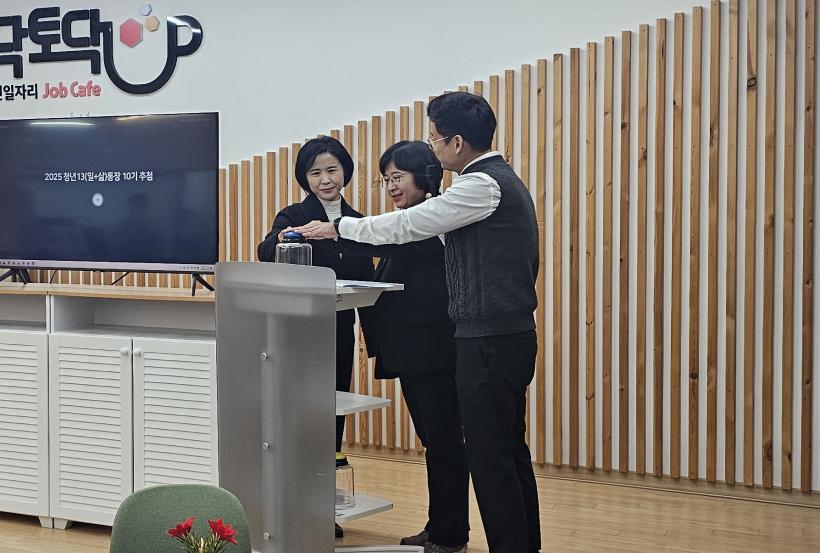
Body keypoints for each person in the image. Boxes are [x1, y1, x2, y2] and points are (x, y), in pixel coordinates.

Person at [297, 92, 541, 553]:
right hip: (497, 336)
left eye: (434, 139)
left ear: (456, 142)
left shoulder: (480, 185)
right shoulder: (493, 181)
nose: (433, 147)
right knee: (505, 452)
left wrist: (339, 227)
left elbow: (406, 226)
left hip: (488, 339)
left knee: (492, 457)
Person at [340, 141, 469, 553]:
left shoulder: (429, 221)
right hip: (415, 354)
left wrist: (334, 229)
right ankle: (441, 526)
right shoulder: (409, 224)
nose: (392, 186)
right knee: (437, 444)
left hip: (434, 353)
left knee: (444, 444)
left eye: (398, 176)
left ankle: (450, 535)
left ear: (425, 175)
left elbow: (379, 241)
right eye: (386, 179)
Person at [256, 136, 373, 539]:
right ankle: (293, 504)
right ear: (304, 178)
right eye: (315, 172)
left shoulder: (357, 220)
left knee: (332, 415)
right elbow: (264, 250)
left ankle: (326, 508)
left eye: (332, 170)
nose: (325, 179)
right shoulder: (293, 215)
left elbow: (367, 280)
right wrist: (286, 237)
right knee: (298, 415)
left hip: (339, 330)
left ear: (345, 172)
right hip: (298, 333)